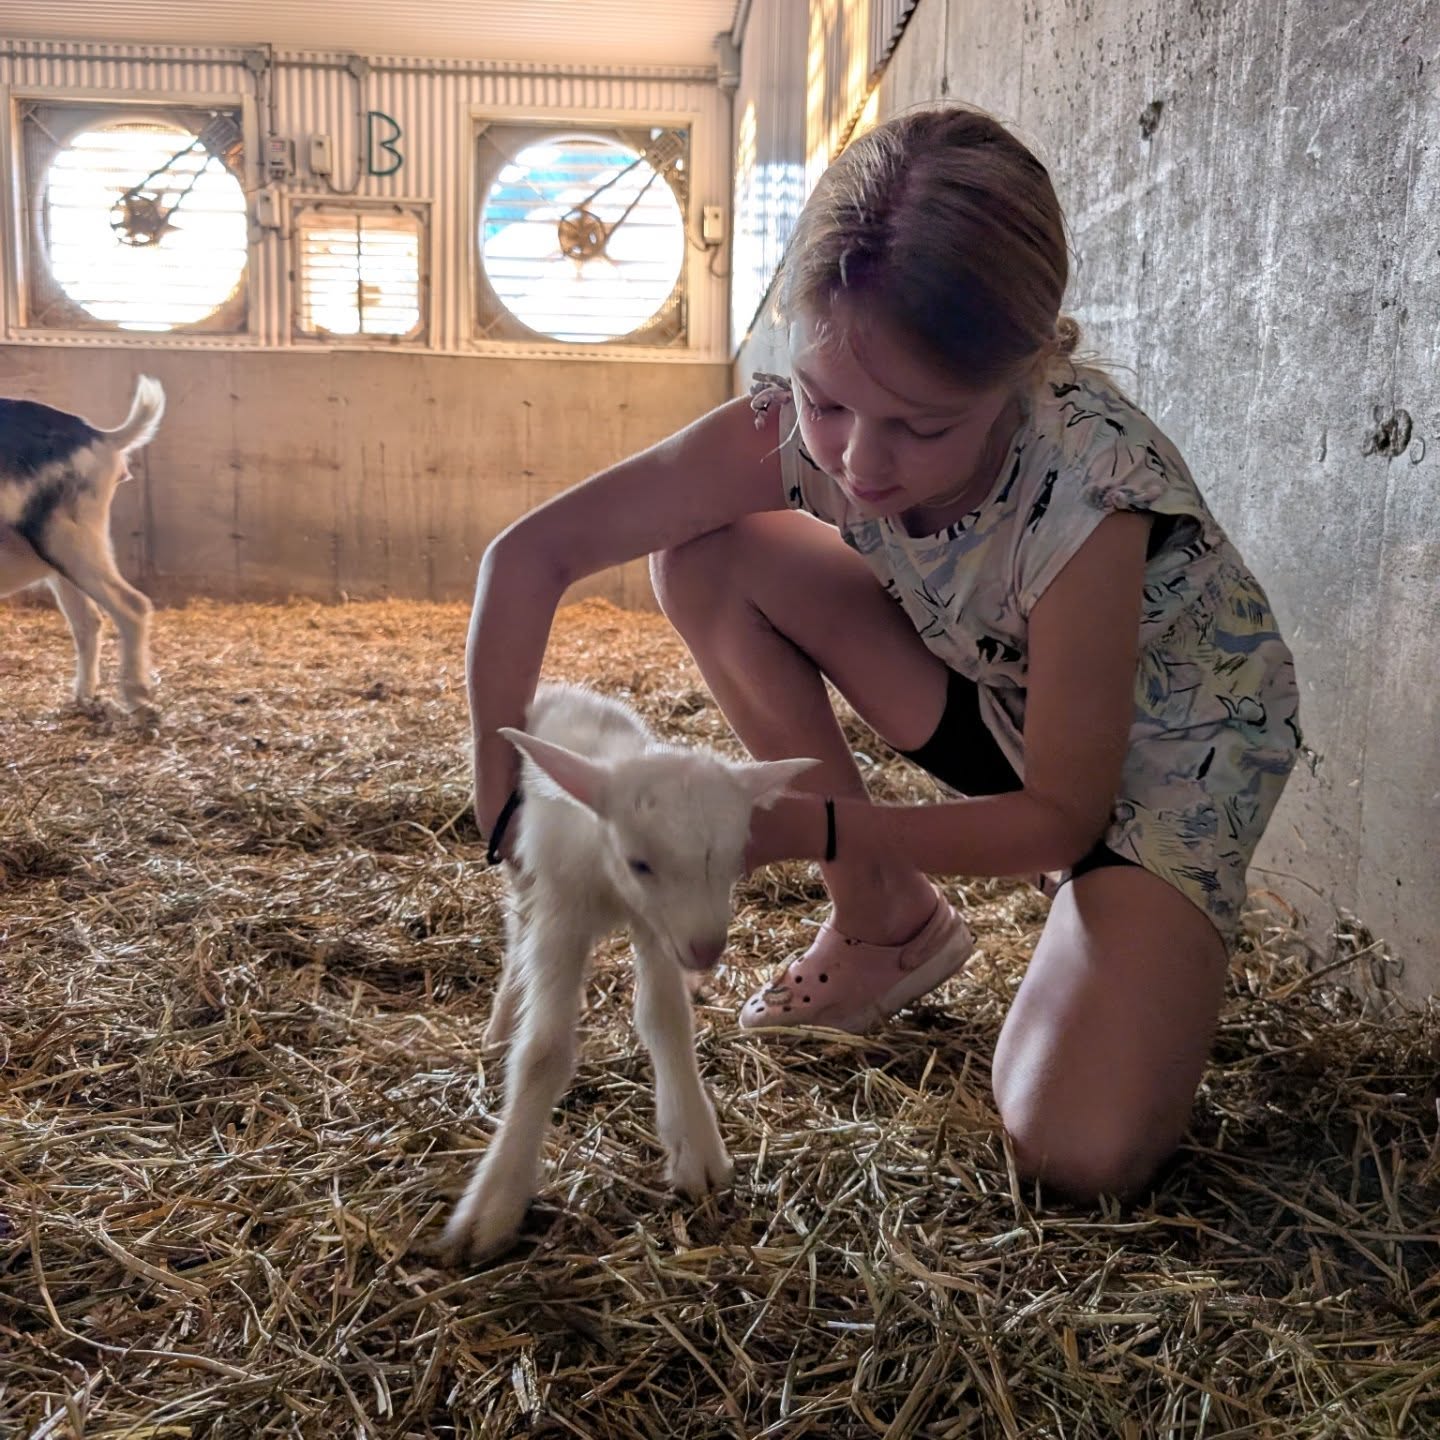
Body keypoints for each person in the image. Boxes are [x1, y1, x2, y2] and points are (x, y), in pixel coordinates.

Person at [466, 106, 1300, 1201]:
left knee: (1076, 1149)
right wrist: (502, 808)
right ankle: (883, 917)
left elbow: (1064, 814)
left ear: (1024, 371)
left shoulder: (1090, 492)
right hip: (995, 688)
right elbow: (529, 556)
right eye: (826, 402)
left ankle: (1132, 921)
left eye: (922, 426)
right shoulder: (813, 424)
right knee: (706, 557)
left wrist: (812, 826)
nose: (860, 460)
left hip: (1164, 763)